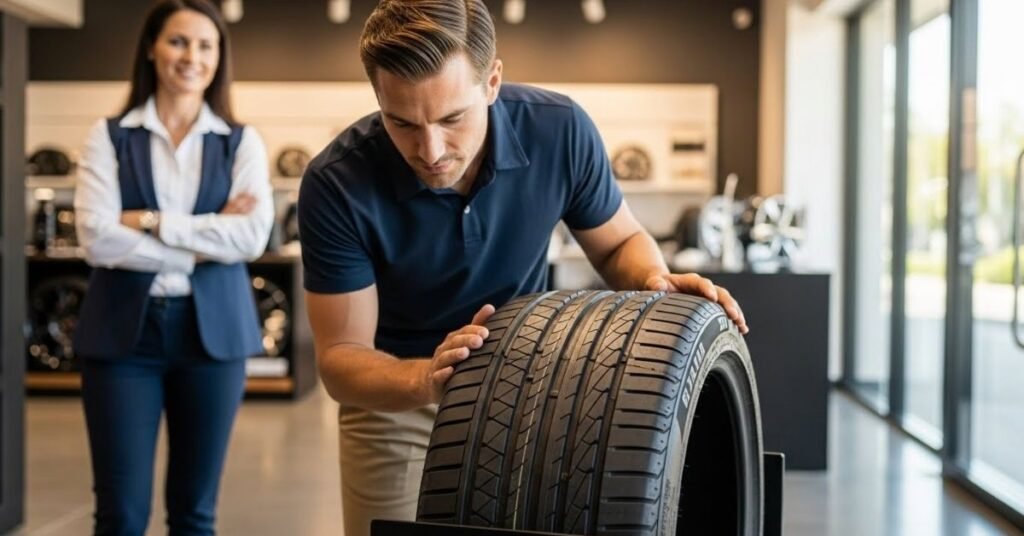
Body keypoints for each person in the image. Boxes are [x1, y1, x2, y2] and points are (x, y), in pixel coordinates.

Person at [297, 1, 748, 535]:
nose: (431, 149)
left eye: (451, 118)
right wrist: (427, 378)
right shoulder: (336, 183)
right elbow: (343, 360)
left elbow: (619, 240)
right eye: (402, 123)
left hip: (532, 388)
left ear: (492, 82)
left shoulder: (560, 131)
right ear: (378, 98)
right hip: (400, 400)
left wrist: (652, 279)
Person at [72, 0, 273, 534]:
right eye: (179, 41)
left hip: (212, 340)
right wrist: (208, 234)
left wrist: (152, 221)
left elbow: (251, 235)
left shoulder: (240, 141)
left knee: (195, 514)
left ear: (219, 57)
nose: (192, 57)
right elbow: (96, 237)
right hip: (122, 338)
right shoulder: (109, 135)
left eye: (206, 45)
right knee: (120, 514)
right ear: (151, 48)